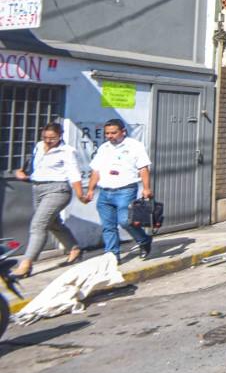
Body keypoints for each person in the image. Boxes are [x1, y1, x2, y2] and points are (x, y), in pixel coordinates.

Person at [12, 122, 85, 277]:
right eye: (45, 137)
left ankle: (26, 263)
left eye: (52, 138)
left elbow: (74, 173)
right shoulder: (39, 146)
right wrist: (25, 175)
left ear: (60, 136)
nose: (48, 140)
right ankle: (74, 249)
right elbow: (37, 168)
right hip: (37, 188)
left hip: (58, 189)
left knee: (38, 225)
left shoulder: (67, 151)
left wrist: (80, 194)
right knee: (52, 223)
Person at [86, 118, 153, 261]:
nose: (110, 136)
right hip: (105, 192)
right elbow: (96, 171)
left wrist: (146, 188)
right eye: (107, 133)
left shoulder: (135, 146)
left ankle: (144, 240)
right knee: (108, 226)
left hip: (125, 190)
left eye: (113, 133)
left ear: (123, 131)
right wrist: (91, 189)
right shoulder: (104, 148)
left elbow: (143, 168)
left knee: (125, 221)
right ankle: (112, 256)